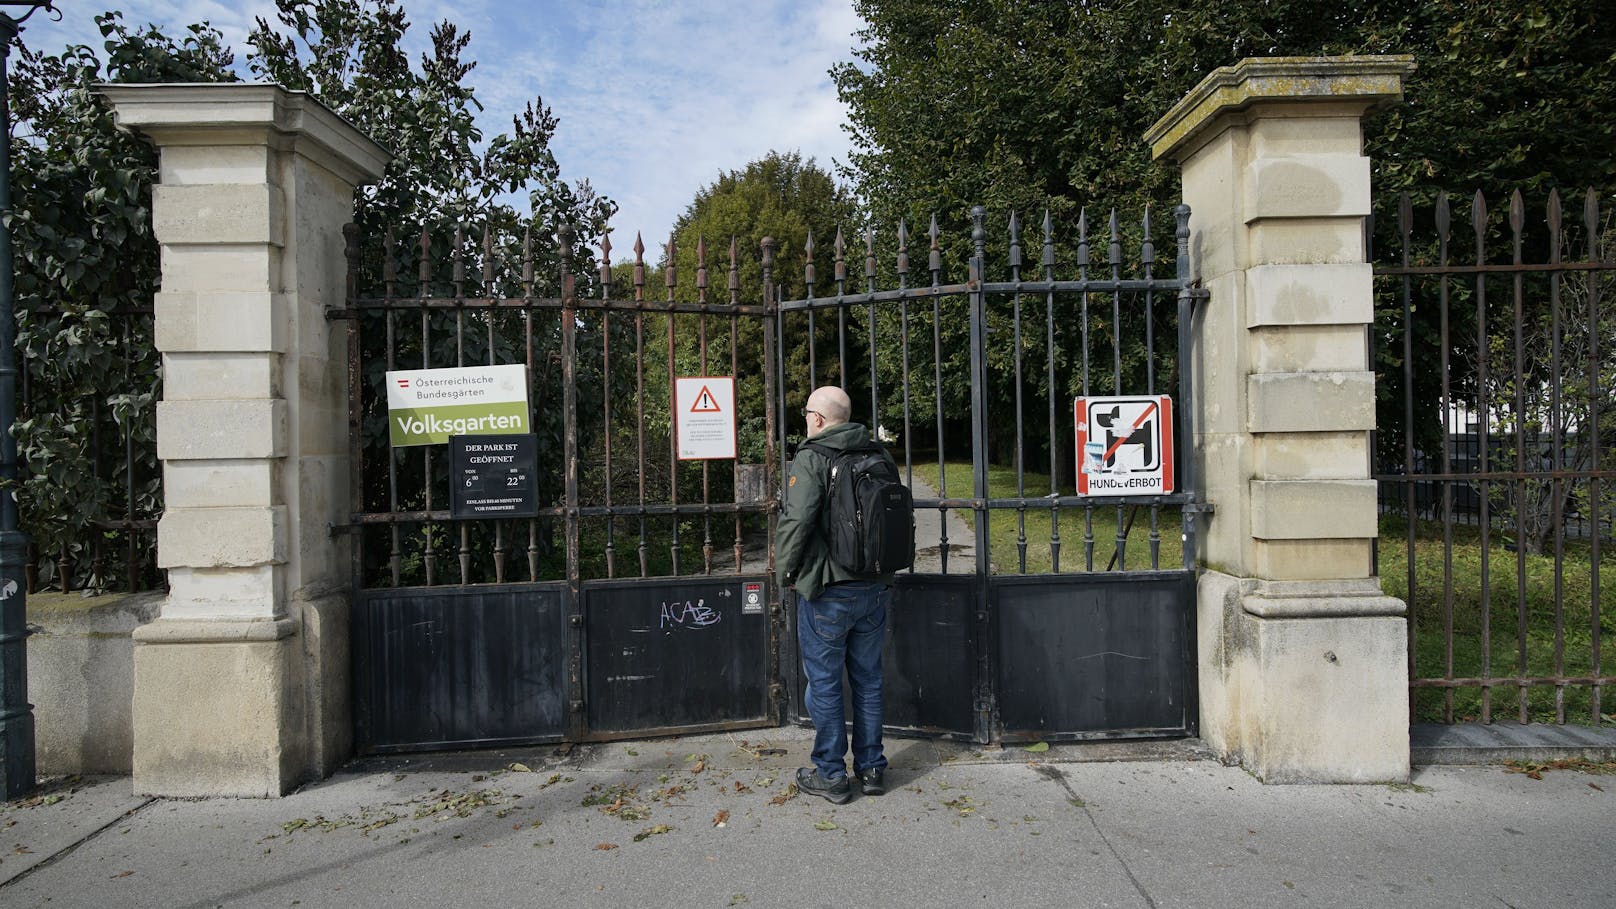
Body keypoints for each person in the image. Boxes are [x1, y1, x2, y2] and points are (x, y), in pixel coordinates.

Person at [776, 385, 893, 804]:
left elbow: (797, 520)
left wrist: (784, 572)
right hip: (875, 586)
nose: (805, 419)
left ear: (819, 419)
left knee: (824, 684)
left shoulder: (813, 456)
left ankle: (831, 774)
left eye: (807, 412)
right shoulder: (878, 453)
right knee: (868, 680)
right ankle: (873, 768)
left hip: (828, 589)